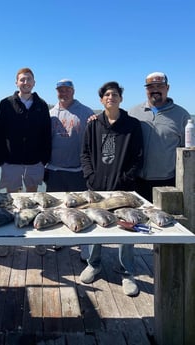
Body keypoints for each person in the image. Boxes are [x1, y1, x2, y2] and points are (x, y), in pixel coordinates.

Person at [80, 81, 143, 296]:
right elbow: (85, 153)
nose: (111, 97)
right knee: (96, 226)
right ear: (101, 100)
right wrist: (90, 176)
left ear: (120, 99)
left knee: (127, 227)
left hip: (123, 188)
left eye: (115, 94)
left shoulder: (132, 125)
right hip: (96, 187)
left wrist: (126, 179)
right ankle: (93, 264)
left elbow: (138, 157)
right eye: (107, 94)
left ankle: (127, 272)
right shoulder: (93, 124)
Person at [0, 67, 51, 256]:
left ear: (34, 83)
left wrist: (45, 158)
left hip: (35, 161)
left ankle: (36, 238)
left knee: (32, 200)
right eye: (22, 80)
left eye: (29, 80)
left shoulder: (42, 105)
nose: (25, 83)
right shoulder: (6, 103)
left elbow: (46, 134)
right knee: (13, 201)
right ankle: (9, 238)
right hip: (11, 161)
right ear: (16, 82)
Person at [128, 72, 191, 202]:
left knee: (164, 220)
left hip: (167, 182)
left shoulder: (182, 116)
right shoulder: (133, 112)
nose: (155, 90)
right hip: (135, 179)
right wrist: (94, 118)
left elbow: (189, 152)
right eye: (151, 87)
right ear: (146, 90)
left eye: (160, 86)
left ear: (167, 88)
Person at [45, 79, 94, 192]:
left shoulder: (86, 112)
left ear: (73, 91)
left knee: (79, 208)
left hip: (78, 171)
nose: (64, 93)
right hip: (53, 171)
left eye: (67, 90)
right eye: (60, 90)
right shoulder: (50, 114)